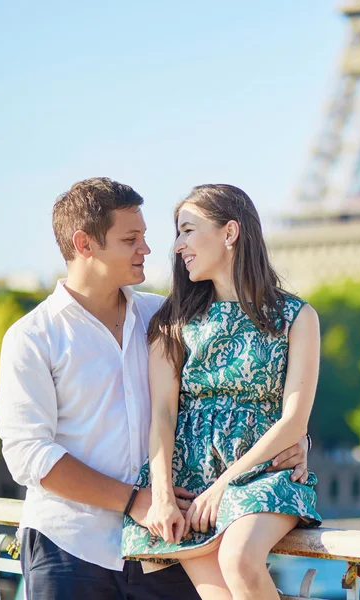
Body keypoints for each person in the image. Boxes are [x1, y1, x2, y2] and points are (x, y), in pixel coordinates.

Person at [0, 177, 310, 600]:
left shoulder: (162, 316)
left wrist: (297, 440)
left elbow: (243, 392)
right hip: (71, 545)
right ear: (85, 244)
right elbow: (28, 454)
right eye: (131, 239)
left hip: (167, 536)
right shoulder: (32, 336)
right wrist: (136, 500)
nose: (149, 248)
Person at [122, 184, 321, 600]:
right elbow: (163, 414)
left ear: (230, 233)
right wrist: (161, 494)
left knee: (239, 559)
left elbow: (294, 420)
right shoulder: (171, 322)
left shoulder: (296, 317)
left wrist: (226, 484)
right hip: (191, 482)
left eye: (188, 231)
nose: (177, 246)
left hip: (262, 473)